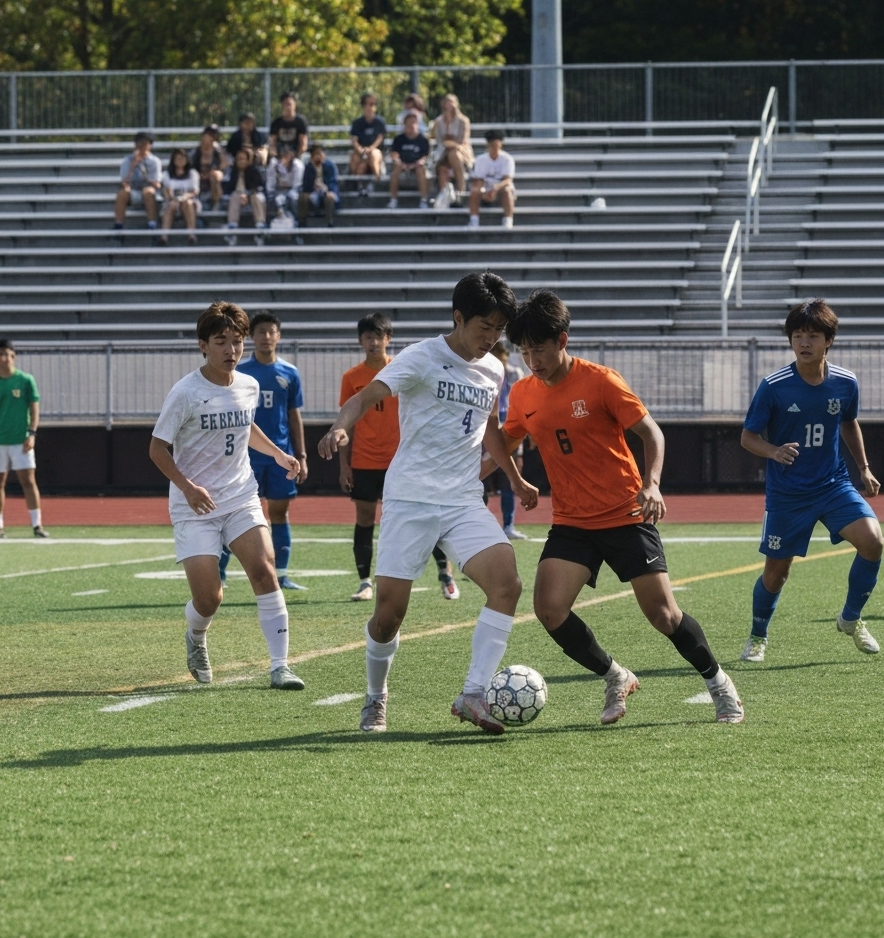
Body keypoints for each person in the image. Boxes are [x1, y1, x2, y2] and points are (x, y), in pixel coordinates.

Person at [496, 290, 744, 725]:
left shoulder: (601, 381)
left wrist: (652, 485)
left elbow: (652, 434)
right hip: (572, 521)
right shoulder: (522, 394)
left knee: (664, 615)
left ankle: (719, 683)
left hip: (625, 514)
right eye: (524, 351)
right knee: (549, 609)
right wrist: (511, 479)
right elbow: (503, 441)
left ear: (562, 340)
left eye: (539, 349)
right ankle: (616, 675)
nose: (532, 359)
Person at [319, 273, 539, 735]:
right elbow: (365, 396)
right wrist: (340, 427)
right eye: (484, 327)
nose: (491, 337)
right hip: (410, 499)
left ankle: (473, 694)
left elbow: (489, 427)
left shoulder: (494, 369)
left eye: (499, 329)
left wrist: (514, 478)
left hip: (462, 500)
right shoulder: (420, 357)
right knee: (388, 616)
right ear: (458, 318)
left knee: (507, 585)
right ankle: (375, 697)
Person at [149, 301, 305, 691]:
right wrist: (188, 487)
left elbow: (245, 426)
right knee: (210, 598)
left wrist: (278, 454)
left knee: (264, 570)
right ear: (203, 346)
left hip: (240, 496)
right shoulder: (186, 392)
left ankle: (280, 666)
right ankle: (196, 634)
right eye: (221, 342)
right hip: (195, 505)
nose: (231, 350)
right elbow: (157, 448)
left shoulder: (248, 385)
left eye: (237, 341)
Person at [739, 298, 884, 662]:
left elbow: (849, 423)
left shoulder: (846, 382)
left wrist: (864, 467)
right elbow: (748, 437)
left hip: (833, 485)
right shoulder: (774, 386)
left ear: (828, 340)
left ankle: (850, 619)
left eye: (813, 336)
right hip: (788, 493)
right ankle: (757, 636)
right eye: (798, 336)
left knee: (872, 542)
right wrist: (773, 451)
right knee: (776, 573)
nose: (804, 343)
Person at [337, 311, 460, 603]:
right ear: (360, 341)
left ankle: (445, 573)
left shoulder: (403, 370)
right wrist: (344, 465)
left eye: (378, 336)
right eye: (368, 337)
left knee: (426, 515)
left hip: (404, 460)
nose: (373, 342)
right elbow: (347, 422)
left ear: (388, 339)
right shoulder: (351, 378)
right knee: (365, 518)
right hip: (365, 461)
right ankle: (365, 582)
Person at [219, 311, 309, 591]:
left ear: (278, 336)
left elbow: (294, 415)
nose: (266, 337)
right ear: (251, 337)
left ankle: (281, 575)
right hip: (246, 458)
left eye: (271, 332)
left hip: (280, 456)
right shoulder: (240, 372)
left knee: (279, 514)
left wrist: (302, 455)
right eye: (261, 332)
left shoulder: (289, 372)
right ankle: (218, 573)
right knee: (236, 514)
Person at [0, 339, 48, 538]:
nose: (5, 358)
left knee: (28, 482)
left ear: (14, 356)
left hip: (21, 441)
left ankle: (37, 525)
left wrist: (32, 433)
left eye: (9, 354)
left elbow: (34, 409)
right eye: (1, 354)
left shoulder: (26, 380)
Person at [486, 340, 527, 540]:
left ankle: (509, 525)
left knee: (510, 479)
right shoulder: (482, 372)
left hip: (509, 430)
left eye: (502, 360)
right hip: (487, 431)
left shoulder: (514, 374)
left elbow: (520, 404)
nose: (499, 365)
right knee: (480, 479)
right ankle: (480, 525)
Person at [113, 131, 161, 233]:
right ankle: (118, 227)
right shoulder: (127, 160)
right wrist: (133, 166)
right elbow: (124, 181)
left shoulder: (154, 161)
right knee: (122, 193)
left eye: (145, 144)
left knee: (148, 192)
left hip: (148, 189)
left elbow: (156, 183)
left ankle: (152, 226)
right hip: (133, 190)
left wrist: (144, 174)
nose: (141, 146)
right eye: (139, 143)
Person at [468, 129, 515, 229]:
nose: (494, 149)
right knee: (474, 190)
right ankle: (474, 220)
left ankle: (508, 219)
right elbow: (478, 179)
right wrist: (483, 191)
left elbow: (507, 180)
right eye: (492, 145)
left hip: (501, 186)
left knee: (507, 190)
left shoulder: (507, 159)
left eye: (496, 146)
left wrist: (495, 188)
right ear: (488, 145)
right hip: (485, 186)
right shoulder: (480, 159)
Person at [432, 94, 474, 204]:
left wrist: (451, 143)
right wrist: (447, 143)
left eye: (451, 103)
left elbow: (463, 140)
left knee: (454, 154)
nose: (449, 106)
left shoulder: (463, 120)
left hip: (460, 150)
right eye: (447, 103)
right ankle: (444, 196)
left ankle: (461, 191)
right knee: (442, 168)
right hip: (443, 150)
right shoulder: (438, 121)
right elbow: (439, 140)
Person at [222, 146, 267, 246]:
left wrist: (247, 194)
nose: (240, 161)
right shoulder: (232, 171)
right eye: (238, 159)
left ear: (248, 160)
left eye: (243, 159)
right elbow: (227, 188)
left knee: (256, 197)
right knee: (234, 196)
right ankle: (232, 227)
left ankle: (260, 226)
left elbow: (258, 187)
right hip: (237, 197)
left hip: (252, 196)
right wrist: (240, 194)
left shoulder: (255, 171)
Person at [386, 112, 430, 209]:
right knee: (395, 170)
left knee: (421, 169)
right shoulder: (398, 139)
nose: (411, 126)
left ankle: (423, 200)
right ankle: (393, 200)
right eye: (409, 123)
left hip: (417, 164)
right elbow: (394, 154)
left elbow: (425, 156)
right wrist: (399, 162)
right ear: (404, 125)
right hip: (401, 164)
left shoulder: (423, 140)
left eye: (414, 123)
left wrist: (418, 163)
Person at [160, 148, 201, 246]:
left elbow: (195, 191)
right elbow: (167, 190)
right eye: (178, 158)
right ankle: (164, 236)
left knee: (187, 203)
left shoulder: (192, 173)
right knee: (171, 205)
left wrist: (184, 197)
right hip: (172, 200)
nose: (180, 160)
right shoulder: (166, 174)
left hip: (190, 200)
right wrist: (174, 199)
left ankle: (191, 235)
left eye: (182, 158)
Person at [348, 92, 386, 191]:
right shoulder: (357, 123)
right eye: (369, 104)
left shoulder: (380, 122)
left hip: (375, 150)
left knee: (373, 155)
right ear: (364, 106)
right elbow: (354, 140)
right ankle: (357, 184)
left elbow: (380, 138)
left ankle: (376, 181)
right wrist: (361, 150)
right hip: (361, 151)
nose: (372, 107)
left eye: (374, 104)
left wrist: (370, 149)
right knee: (356, 159)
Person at [297, 143, 340, 228]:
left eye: (320, 154)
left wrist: (327, 190)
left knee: (330, 197)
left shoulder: (329, 166)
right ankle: (302, 222)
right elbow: (306, 185)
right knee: (303, 197)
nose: (318, 156)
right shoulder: (309, 167)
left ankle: (330, 221)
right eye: (316, 154)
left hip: (326, 191)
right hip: (313, 192)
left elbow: (333, 182)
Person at [190, 126, 226, 211]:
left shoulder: (218, 151)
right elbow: (190, 166)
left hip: (215, 173)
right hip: (199, 174)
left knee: (214, 175)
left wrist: (215, 170)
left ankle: (216, 202)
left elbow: (224, 164)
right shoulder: (195, 152)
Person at [265, 148, 305, 221]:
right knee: (276, 199)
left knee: (293, 197)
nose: (285, 158)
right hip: (278, 190)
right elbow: (270, 181)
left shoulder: (298, 165)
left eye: (287, 156)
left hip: (294, 189)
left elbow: (297, 183)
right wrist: (271, 193)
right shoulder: (274, 164)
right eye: (283, 156)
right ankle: (275, 220)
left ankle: (297, 219)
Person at [269, 92, 309, 158]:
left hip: (296, 154)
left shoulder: (301, 122)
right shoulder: (276, 122)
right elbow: (272, 143)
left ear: (295, 105)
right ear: (282, 106)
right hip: (280, 154)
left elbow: (303, 143)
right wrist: (275, 155)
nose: (288, 107)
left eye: (290, 104)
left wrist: (297, 156)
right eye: (286, 104)